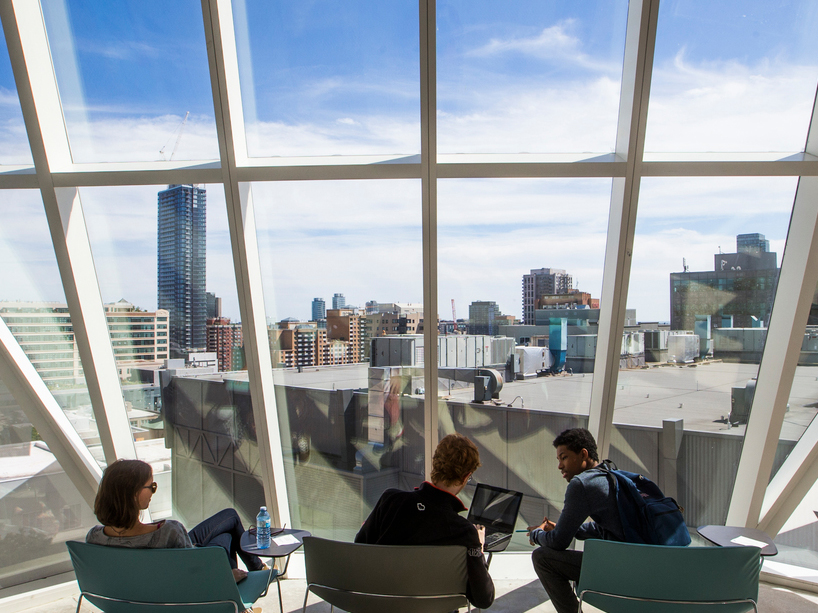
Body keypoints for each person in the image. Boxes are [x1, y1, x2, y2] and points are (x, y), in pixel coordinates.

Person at [355, 433, 495, 609]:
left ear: (434, 464)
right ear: (465, 477)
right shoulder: (464, 532)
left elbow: (359, 548)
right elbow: (483, 599)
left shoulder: (390, 500)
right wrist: (478, 549)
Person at [86, 459, 266, 583]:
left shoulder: (94, 537)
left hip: (154, 579)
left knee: (229, 519)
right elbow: (194, 579)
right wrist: (226, 577)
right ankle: (250, 581)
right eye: (152, 486)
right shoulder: (168, 532)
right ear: (134, 495)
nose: (153, 491)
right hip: (180, 576)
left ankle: (256, 572)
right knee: (227, 534)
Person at [527, 428, 624, 613]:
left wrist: (536, 534)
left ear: (583, 454)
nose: (560, 466)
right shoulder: (612, 474)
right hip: (639, 564)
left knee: (542, 558)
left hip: (618, 570)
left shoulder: (581, 484)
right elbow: (610, 525)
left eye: (563, 457)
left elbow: (558, 542)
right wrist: (573, 529)